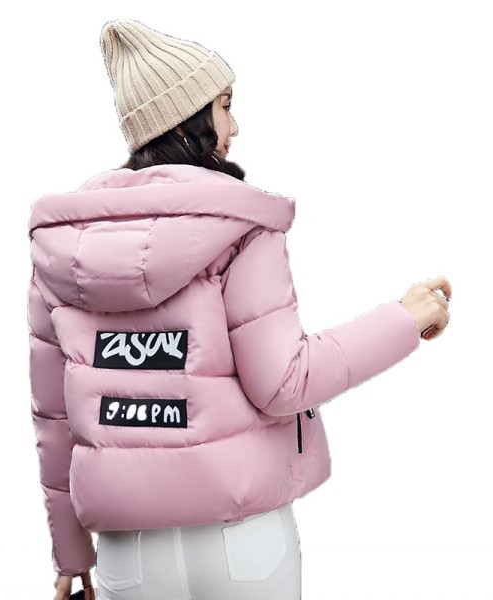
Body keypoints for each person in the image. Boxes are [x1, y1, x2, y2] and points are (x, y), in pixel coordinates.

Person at [26, 18, 452, 600]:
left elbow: (54, 417)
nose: (234, 127)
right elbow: (284, 382)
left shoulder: (63, 244)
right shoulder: (240, 225)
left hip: (127, 551)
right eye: (224, 106)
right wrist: (405, 318)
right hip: (241, 541)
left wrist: (71, 552)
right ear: (187, 120)